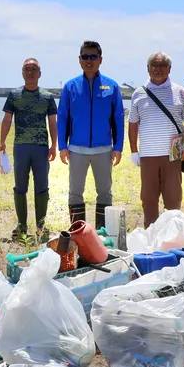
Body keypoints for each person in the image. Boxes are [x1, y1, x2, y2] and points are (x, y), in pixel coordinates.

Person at [58, 41, 125, 229]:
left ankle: (102, 234)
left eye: (93, 57)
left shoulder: (111, 87)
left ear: (100, 60)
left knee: (104, 193)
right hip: (76, 150)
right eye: (85, 57)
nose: (89, 61)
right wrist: (62, 146)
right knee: (75, 192)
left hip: (103, 149)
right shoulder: (70, 87)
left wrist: (118, 147)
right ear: (79, 60)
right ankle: (79, 233)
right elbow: (62, 117)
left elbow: (118, 118)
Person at [128, 51, 184, 228]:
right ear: (148, 68)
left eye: (162, 66)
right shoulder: (138, 93)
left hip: (174, 153)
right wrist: (134, 151)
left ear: (169, 69)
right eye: (154, 66)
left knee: (173, 197)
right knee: (148, 197)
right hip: (148, 154)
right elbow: (133, 124)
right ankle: (150, 233)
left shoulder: (180, 92)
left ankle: (172, 232)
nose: (158, 69)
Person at [0, 58, 58, 238]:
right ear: (22, 73)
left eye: (34, 69)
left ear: (39, 74)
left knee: (42, 186)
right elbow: (7, 119)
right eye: (27, 69)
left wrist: (54, 145)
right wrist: (2, 141)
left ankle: (41, 225)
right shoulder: (14, 95)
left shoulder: (47, 97)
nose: (30, 72)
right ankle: (21, 225)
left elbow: (53, 122)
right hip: (21, 146)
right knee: (20, 186)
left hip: (41, 147)